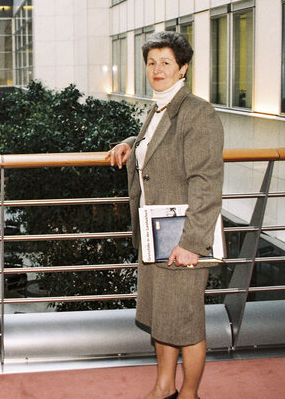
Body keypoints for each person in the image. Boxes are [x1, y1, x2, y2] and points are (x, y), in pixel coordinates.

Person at [107, 31, 223, 399]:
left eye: (166, 63)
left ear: (183, 67)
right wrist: (130, 143)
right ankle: (163, 386)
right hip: (155, 233)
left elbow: (206, 182)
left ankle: (188, 394)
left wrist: (191, 243)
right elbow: (156, 145)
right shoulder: (157, 107)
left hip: (182, 236)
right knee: (164, 315)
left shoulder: (197, 111)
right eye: (152, 63)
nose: (157, 70)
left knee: (186, 321)